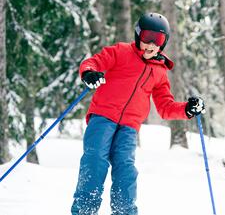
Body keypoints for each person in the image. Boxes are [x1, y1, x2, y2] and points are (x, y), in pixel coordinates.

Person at [71, 12, 205, 215]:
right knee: (95, 159)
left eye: (157, 40)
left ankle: (124, 211)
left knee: (125, 169)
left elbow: (165, 107)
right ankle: (84, 210)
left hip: (129, 128)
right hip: (103, 118)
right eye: (147, 38)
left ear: (164, 42)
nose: (151, 44)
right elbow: (94, 62)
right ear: (138, 36)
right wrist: (89, 72)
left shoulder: (160, 72)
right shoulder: (121, 52)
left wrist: (186, 109)